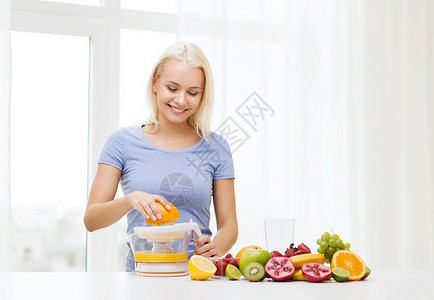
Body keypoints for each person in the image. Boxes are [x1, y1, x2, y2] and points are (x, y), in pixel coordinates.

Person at [83, 41, 238, 272]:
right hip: (141, 275)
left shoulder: (216, 146)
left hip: (198, 277)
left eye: (192, 92)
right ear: (155, 82)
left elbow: (229, 225)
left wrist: (215, 247)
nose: (181, 100)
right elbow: (92, 220)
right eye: (172, 88)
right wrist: (130, 199)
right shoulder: (122, 142)